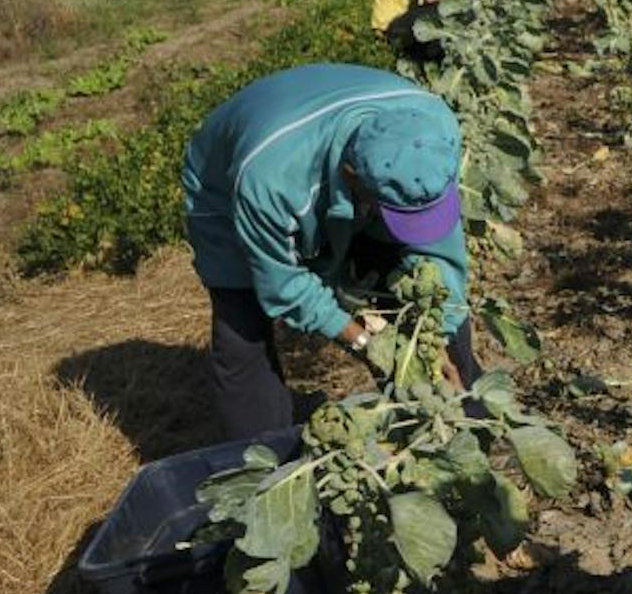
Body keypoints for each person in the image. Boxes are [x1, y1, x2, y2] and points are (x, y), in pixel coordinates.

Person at [183, 63, 478, 441]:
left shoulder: (435, 132)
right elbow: (284, 286)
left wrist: (436, 341)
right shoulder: (269, 182)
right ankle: (264, 459)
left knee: (400, 277)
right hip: (227, 179)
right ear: (352, 176)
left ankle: (454, 421)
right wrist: (368, 343)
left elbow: (442, 258)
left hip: (326, 149)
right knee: (241, 327)